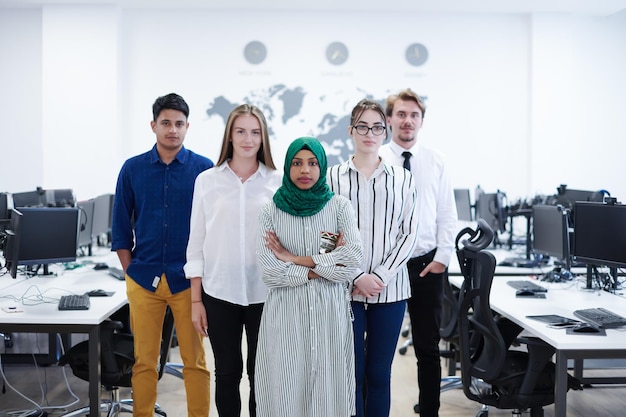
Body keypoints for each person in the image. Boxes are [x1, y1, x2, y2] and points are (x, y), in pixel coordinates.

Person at [111, 93, 213, 417]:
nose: (173, 130)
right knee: (144, 362)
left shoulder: (204, 169)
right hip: (144, 280)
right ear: (153, 125)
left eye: (179, 124)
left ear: (188, 127)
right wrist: (131, 273)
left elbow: (214, 228)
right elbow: (120, 230)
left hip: (189, 283)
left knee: (195, 362)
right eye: (166, 123)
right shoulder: (132, 169)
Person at [255, 137, 363, 417]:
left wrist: (294, 259)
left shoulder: (339, 207)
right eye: (297, 163)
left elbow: (351, 263)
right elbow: (270, 271)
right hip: (286, 314)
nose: (305, 170)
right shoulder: (270, 211)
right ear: (288, 167)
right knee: (287, 391)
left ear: (321, 166)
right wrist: (323, 268)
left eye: (313, 163)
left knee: (329, 395)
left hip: (329, 314)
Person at [184, 104, 281, 417]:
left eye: (255, 132)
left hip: (265, 294)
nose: (248, 139)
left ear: (263, 137)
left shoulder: (277, 182)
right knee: (226, 374)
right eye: (240, 131)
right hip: (219, 293)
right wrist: (196, 301)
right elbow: (196, 244)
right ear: (229, 136)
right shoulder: (207, 181)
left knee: (261, 377)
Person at [328, 99, 419, 417]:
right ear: (351, 130)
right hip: (343, 291)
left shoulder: (403, 179)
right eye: (363, 126)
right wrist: (355, 275)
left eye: (377, 127)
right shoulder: (332, 179)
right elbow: (326, 237)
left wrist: (379, 275)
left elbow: (409, 235)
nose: (370, 133)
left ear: (386, 131)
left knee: (379, 375)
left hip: (390, 292)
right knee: (349, 376)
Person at [378, 88, 458, 417]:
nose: (407, 120)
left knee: (427, 347)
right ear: (388, 119)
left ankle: (429, 411)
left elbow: (446, 215)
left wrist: (442, 259)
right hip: (386, 268)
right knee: (379, 350)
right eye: (401, 114)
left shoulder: (436, 160)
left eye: (414, 115)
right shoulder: (378, 158)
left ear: (422, 121)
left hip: (427, 267)